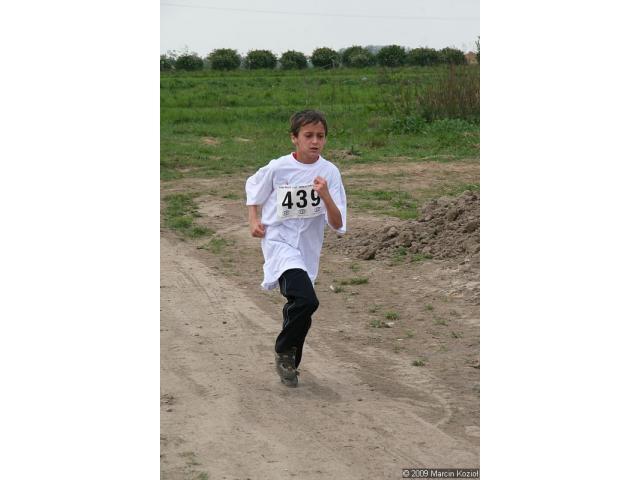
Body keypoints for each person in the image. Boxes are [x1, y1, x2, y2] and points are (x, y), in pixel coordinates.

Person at [245, 110, 347, 387]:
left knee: (303, 305)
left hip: (307, 248)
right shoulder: (278, 168)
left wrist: (325, 195)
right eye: (308, 135)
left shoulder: (330, 172)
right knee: (306, 301)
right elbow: (254, 188)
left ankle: (289, 360)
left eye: (320, 136)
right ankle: (284, 353)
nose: (315, 141)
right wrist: (253, 220)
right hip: (279, 241)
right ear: (294, 138)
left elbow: (338, 223)